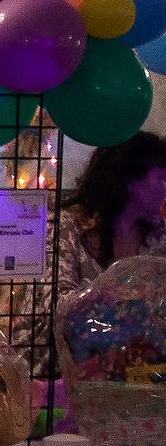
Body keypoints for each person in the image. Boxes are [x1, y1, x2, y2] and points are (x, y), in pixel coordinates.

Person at [54, 132, 166, 351]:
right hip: (59, 367)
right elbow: (55, 308)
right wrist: (106, 295)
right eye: (161, 178)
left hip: (133, 369)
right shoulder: (66, 226)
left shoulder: (158, 233)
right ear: (129, 180)